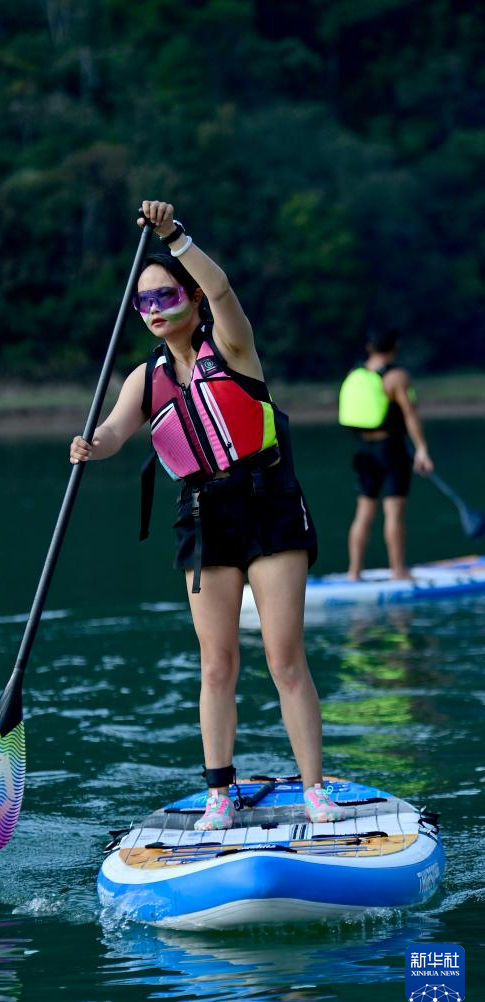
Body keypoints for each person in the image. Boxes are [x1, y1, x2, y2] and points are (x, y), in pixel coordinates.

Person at [70, 199, 343, 830]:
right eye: (143, 302)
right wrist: (91, 446)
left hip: (269, 507)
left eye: (165, 296)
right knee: (216, 663)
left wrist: (175, 236)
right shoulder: (145, 379)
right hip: (204, 517)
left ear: (191, 298)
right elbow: (114, 431)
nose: (154, 309)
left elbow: (221, 288)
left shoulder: (232, 344)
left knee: (283, 657)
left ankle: (314, 789)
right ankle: (219, 793)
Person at [339, 329, 434, 581]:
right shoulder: (396, 377)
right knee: (393, 511)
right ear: (395, 347)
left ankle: (354, 572)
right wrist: (422, 450)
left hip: (364, 450)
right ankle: (398, 571)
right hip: (390, 450)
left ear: (370, 347)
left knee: (364, 511)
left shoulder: (355, 373)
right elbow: (410, 414)